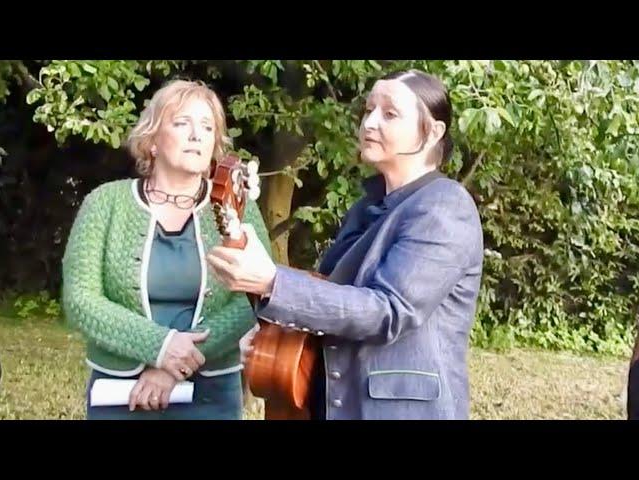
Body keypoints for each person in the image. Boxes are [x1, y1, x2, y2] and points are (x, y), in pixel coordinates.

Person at [207, 70, 484, 420]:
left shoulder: (444, 205)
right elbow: (334, 300)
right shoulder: (368, 205)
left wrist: (273, 283)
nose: (369, 123)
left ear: (433, 132)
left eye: (389, 114)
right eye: (368, 110)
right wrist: (273, 338)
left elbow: (388, 310)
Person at [62, 79, 271, 420]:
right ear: (153, 140)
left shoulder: (239, 207)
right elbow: (81, 299)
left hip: (210, 393)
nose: (196, 135)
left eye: (207, 127)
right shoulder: (104, 203)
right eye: (182, 123)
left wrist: (175, 366)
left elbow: (254, 298)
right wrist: (158, 347)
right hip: (122, 391)